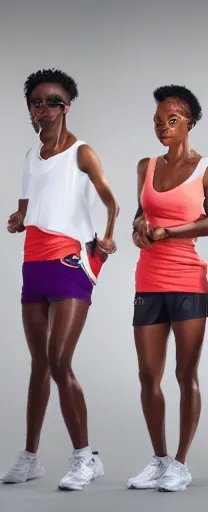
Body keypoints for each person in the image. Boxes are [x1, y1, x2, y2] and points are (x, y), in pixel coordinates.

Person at [2, 69, 120, 491]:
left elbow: (111, 201)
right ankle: (31, 457)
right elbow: (25, 209)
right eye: (37, 102)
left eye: (53, 101)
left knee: (58, 360)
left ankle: (85, 458)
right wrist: (18, 219)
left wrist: (105, 239)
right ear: (30, 110)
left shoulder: (81, 152)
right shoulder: (31, 157)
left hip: (70, 263)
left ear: (66, 107)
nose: (44, 108)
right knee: (39, 364)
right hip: (32, 265)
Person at [125, 85, 208, 493]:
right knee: (148, 374)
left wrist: (168, 232)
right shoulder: (144, 166)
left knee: (186, 374)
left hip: (188, 281)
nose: (162, 127)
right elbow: (139, 214)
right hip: (148, 279)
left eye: (171, 120)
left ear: (189, 122)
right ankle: (160, 459)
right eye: (157, 121)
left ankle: (181, 463)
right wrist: (138, 229)